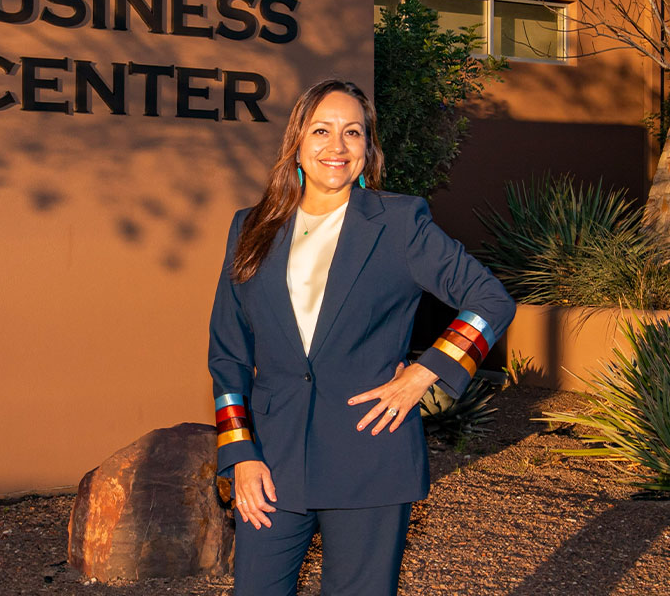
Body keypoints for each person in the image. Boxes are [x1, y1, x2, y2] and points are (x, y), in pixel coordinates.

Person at [207, 79, 515, 596]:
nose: (337, 146)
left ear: (368, 148)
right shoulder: (252, 227)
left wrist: (424, 373)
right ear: (297, 144)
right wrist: (240, 452)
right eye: (322, 130)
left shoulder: (398, 222)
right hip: (271, 459)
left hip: (369, 452)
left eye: (353, 132)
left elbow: (490, 300)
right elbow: (228, 352)